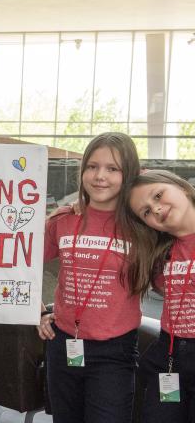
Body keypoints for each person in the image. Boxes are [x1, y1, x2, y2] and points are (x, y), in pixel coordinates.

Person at [37, 132, 145, 423]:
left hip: (114, 352)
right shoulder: (63, 219)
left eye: (113, 169)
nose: (100, 176)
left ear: (129, 175)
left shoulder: (143, 227)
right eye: (92, 166)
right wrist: (34, 309)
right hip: (63, 345)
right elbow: (19, 261)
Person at [127, 169, 195, 422]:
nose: (155, 209)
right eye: (145, 212)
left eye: (158, 195)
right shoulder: (159, 253)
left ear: (182, 187)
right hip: (169, 356)